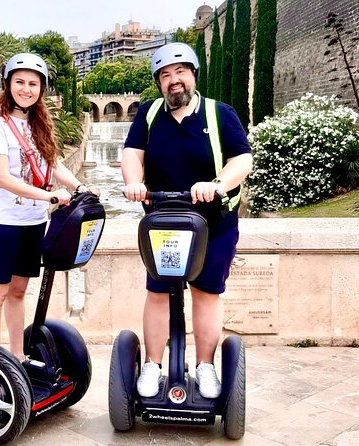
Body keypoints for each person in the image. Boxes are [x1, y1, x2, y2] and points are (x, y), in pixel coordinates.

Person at [121, 42, 253, 399]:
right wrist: (134, 182)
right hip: (164, 223)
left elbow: (242, 160)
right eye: (165, 75)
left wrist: (217, 185)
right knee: (159, 293)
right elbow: (132, 154)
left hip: (214, 224)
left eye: (180, 72)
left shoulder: (219, 113)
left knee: (207, 294)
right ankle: (152, 363)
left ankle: (205, 366)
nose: (173, 80)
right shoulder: (149, 114)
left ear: (193, 75)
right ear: (159, 83)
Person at [0, 52, 98, 360]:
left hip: (32, 223)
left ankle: (17, 357)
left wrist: (79, 187)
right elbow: (2, 177)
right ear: (8, 85)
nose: (26, 89)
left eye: (33, 83)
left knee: (18, 292)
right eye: (20, 82)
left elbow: (54, 164)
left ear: (41, 88)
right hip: (3, 222)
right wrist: (48, 197)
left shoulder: (39, 123)